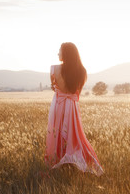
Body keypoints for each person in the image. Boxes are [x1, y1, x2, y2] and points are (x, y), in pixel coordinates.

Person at [44, 42, 104, 176]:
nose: (58, 53)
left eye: (59, 50)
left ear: (65, 53)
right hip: (72, 105)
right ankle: (73, 161)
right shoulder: (82, 71)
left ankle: (57, 160)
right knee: (74, 133)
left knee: (56, 131)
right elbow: (77, 93)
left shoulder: (53, 69)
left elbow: (54, 87)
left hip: (58, 104)